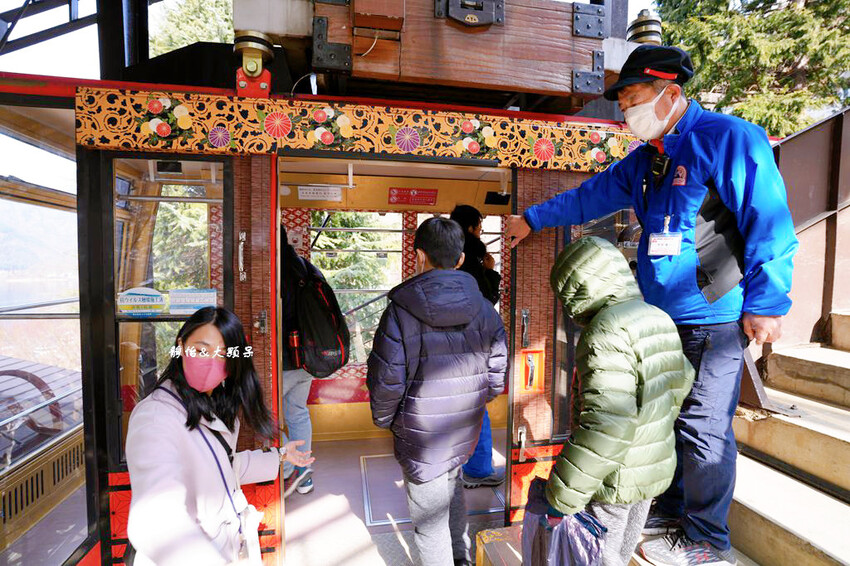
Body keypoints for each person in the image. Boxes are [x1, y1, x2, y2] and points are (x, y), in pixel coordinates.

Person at [505, 44, 797, 566]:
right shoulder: (646, 160)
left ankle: (708, 537)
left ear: (673, 94)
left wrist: (768, 301)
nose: (625, 112)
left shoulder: (728, 138)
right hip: (661, 320)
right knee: (664, 421)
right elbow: (587, 196)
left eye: (634, 99)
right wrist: (532, 218)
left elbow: (768, 220)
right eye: (622, 103)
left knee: (703, 428)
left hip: (715, 317)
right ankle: (675, 511)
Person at [544, 236, 694, 566]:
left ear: (577, 287)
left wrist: (563, 494)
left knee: (597, 556)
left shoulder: (604, 331)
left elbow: (606, 422)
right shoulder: (656, 316)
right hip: (651, 464)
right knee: (621, 554)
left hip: (613, 475)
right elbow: (682, 380)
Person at [367, 217, 508, 566]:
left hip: (420, 433)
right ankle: (461, 558)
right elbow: (497, 377)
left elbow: (387, 379)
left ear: (419, 255)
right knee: (451, 488)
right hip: (464, 428)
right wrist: (473, 403)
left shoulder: (400, 311)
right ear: (460, 259)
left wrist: (388, 421)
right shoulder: (485, 310)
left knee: (429, 522)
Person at [125, 306, 314, 566]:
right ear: (181, 346)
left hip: (227, 547)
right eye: (201, 350)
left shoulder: (212, 403)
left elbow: (223, 465)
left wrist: (281, 455)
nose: (210, 362)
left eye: (223, 355)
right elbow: (158, 521)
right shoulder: (155, 418)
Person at [449, 205, 505, 490]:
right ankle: (478, 469)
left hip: (445, 342)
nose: (481, 229)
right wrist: (491, 271)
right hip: (472, 341)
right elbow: (485, 300)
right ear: (471, 227)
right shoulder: (473, 253)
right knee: (476, 405)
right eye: (480, 224)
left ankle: (452, 464)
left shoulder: (444, 251)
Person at [280, 226, 316, 497]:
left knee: (260, 416)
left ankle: (284, 468)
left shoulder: (270, 267)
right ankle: (303, 475)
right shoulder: (304, 267)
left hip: (280, 360)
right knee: (298, 412)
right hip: (306, 357)